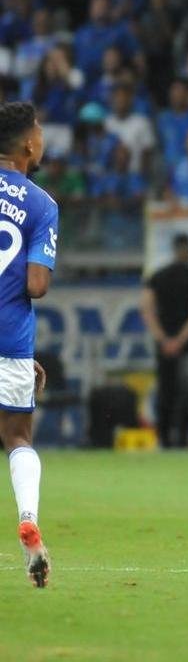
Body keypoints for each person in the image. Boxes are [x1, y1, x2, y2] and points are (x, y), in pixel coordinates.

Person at [0, 102, 58, 587]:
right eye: (39, 134)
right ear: (27, 144)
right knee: (17, 437)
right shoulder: (40, 204)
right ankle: (28, 517)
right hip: (10, 341)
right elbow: (37, 284)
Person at [141, 234, 188, 449]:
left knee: (165, 389)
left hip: (164, 344)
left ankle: (164, 438)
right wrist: (180, 341)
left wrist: (163, 339)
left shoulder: (158, 277)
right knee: (186, 391)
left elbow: (147, 310)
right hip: (187, 344)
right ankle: (182, 437)